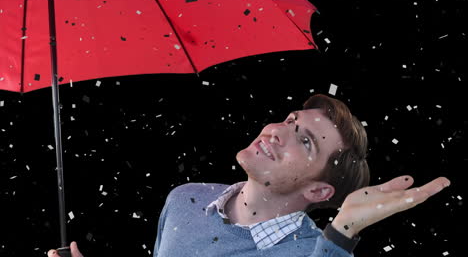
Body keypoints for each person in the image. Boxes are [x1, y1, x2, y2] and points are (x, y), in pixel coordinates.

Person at [48, 94, 450, 257]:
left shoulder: (312, 251)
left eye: (305, 141)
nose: (276, 130)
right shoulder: (185, 199)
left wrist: (343, 232)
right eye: (291, 120)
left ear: (319, 189)